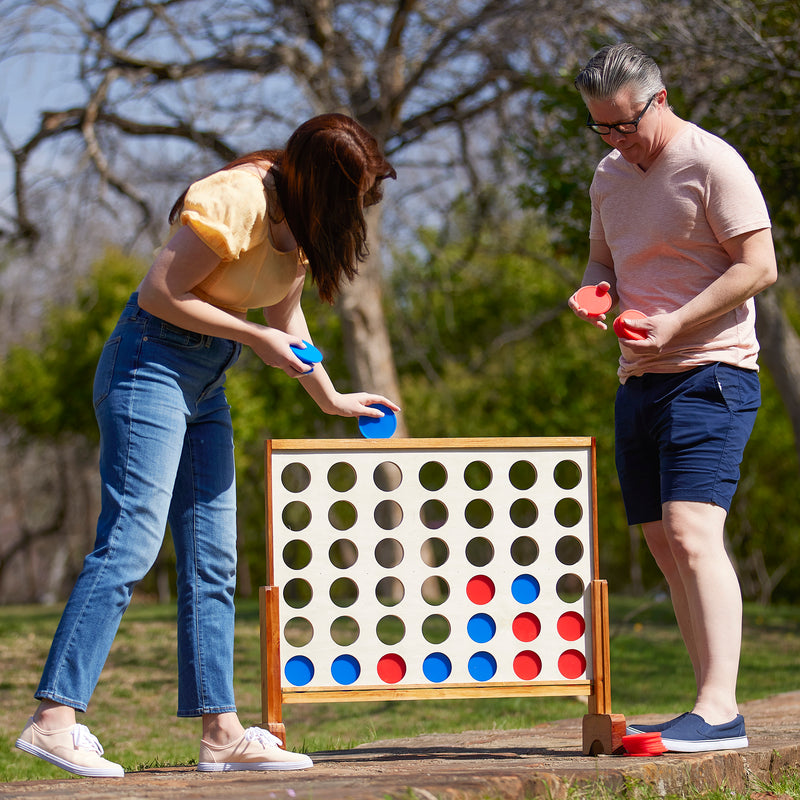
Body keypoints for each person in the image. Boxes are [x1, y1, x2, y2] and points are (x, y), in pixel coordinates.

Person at [15, 113, 400, 777]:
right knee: (132, 541)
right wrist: (253, 339)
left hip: (205, 385)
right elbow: (160, 293)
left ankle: (221, 733)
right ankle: (53, 720)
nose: (356, 213)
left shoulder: (300, 223)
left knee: (214, 560)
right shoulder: (237, 198)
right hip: (148, 366)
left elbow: (285, 315)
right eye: (352, 197)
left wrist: (331, 395)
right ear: (317, 181)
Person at [568, 44, 777, 753]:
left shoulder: (714, 163)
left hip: (711, 371)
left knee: (692, 531)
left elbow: (760, 266)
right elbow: (605, 259)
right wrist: (596, 291)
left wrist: (678, 322)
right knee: (663, 542)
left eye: (626, 124)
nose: (618, 140)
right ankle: (704, 706)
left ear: (659, 98)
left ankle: (721, 712)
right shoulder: (607, 174)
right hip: (638, 378)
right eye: (602, 128)